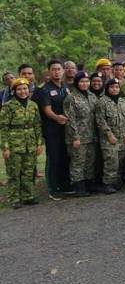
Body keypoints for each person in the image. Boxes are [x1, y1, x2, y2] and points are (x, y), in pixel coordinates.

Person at [0, 78, 43, 208]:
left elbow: (37, 125)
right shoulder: (8, 106)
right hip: (14, 144)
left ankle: (28, 196)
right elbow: (3, 127)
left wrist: (39, 143)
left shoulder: (33, 105)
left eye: (25, 89)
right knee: (14, 173)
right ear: (14, 91)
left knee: (28, 171)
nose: (22, 91)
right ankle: (14, 199)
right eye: (19, 89)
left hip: (30, 143)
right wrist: (5, 147)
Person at [34, 60, 71, 200]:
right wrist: (57, 118)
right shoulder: (44, 89)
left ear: (63, 71)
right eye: (53, 69)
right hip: (52, 129)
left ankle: (64, 185)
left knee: (64, 157)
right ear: (49, 71)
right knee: (53, 158)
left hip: (65, 129)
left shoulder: (65, 87)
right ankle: (53, 188)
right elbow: (47, 110)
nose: (57, 72)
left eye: (59, 69)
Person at [95, 78, 125, 193]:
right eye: (112, 87)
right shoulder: (102, 102)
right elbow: (100, 120)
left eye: (116, 87)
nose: (114, 89)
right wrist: (109, 135)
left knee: (122, 160)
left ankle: (118, 182)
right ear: (107, 88)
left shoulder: (122, 101)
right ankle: (108, 184)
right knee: (111, 160)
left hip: (123, 137)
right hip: (109, 138)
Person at [64, 72, 98, 197]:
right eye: (82, 81)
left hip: (91, 135)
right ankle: (78, 186)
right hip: (78, 137)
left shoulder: (92, 96)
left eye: (86, 81)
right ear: (77, 83)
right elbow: (70, 119)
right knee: (78, 162)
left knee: (90, 161)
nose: (85, 84)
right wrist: (75, 137)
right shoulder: (71, 98)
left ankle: (89, 184)